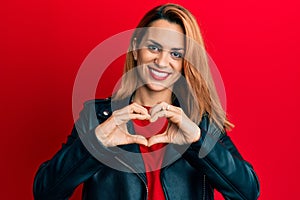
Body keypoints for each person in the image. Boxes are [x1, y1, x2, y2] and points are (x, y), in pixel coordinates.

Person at [33, 3, 260, 200]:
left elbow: (247, 192)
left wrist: (198, 142)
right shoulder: (97, 117)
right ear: (135, 49)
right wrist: (95, 144)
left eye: (176, 54)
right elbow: (45, 192)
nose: (162, 61)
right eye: (153, 48)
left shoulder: (200, 122)